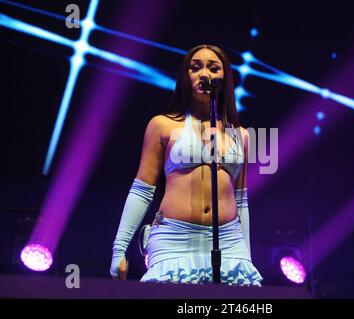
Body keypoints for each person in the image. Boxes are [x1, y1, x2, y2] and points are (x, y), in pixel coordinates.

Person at [109, 44, 263, 286]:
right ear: (186, 77)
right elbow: (141, 190)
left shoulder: (240, 135)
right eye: (195, 68)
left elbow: (241, 200)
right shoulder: (163, 125)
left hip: (229, 241)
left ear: (224, 78)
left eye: (213, 68)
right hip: (174, 239)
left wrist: (248, 257)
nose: (205, 74)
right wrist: (119, 249)